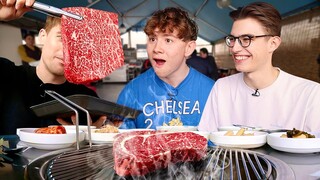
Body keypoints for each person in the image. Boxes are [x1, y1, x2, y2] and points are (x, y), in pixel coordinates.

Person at [198, 2, 320, 132]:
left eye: (246, 39)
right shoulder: (222, 88)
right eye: (232, 39)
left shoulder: (310, 95)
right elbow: (206, 142)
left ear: (273, 43)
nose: (234, 48)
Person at [0, 0, 106, 135]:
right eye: (61, 38)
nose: (68, 50)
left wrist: (90, 139)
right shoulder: (7, 75)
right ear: (43, 36)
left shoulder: (87, 100)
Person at [116, 7, 214, 129]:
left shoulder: (212, 92)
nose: (156, 49)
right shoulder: (132, 92)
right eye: (152, 39)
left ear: (188, 48)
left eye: (168, 40)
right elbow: (119, 141)